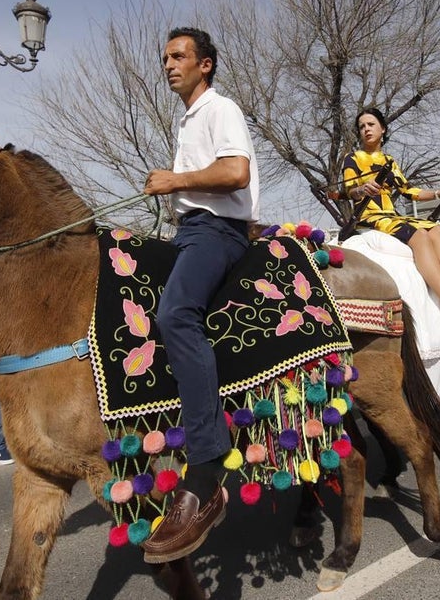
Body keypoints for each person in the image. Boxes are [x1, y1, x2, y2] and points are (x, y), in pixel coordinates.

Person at [139, 27, 259, 563]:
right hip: (190, 231)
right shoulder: (187, 118)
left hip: (217, 231)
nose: (168, 64)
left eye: (179, 56)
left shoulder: (220, 109)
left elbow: (236, 172)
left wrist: (174, 181)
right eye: (165, 57)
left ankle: (208, 464)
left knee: (176, 315)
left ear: (205, 65)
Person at [342, 107, 440, 332]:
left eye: (371, 124)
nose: (366, 129)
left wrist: (439, 193)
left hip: (392, 216)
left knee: (435, 229)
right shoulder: (353, 158)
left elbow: (409, 190)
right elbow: (349, 190)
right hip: (371, 218)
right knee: (419, 236)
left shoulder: (389, 161)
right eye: (362, 126)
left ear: (383, 129)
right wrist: (362, 189)